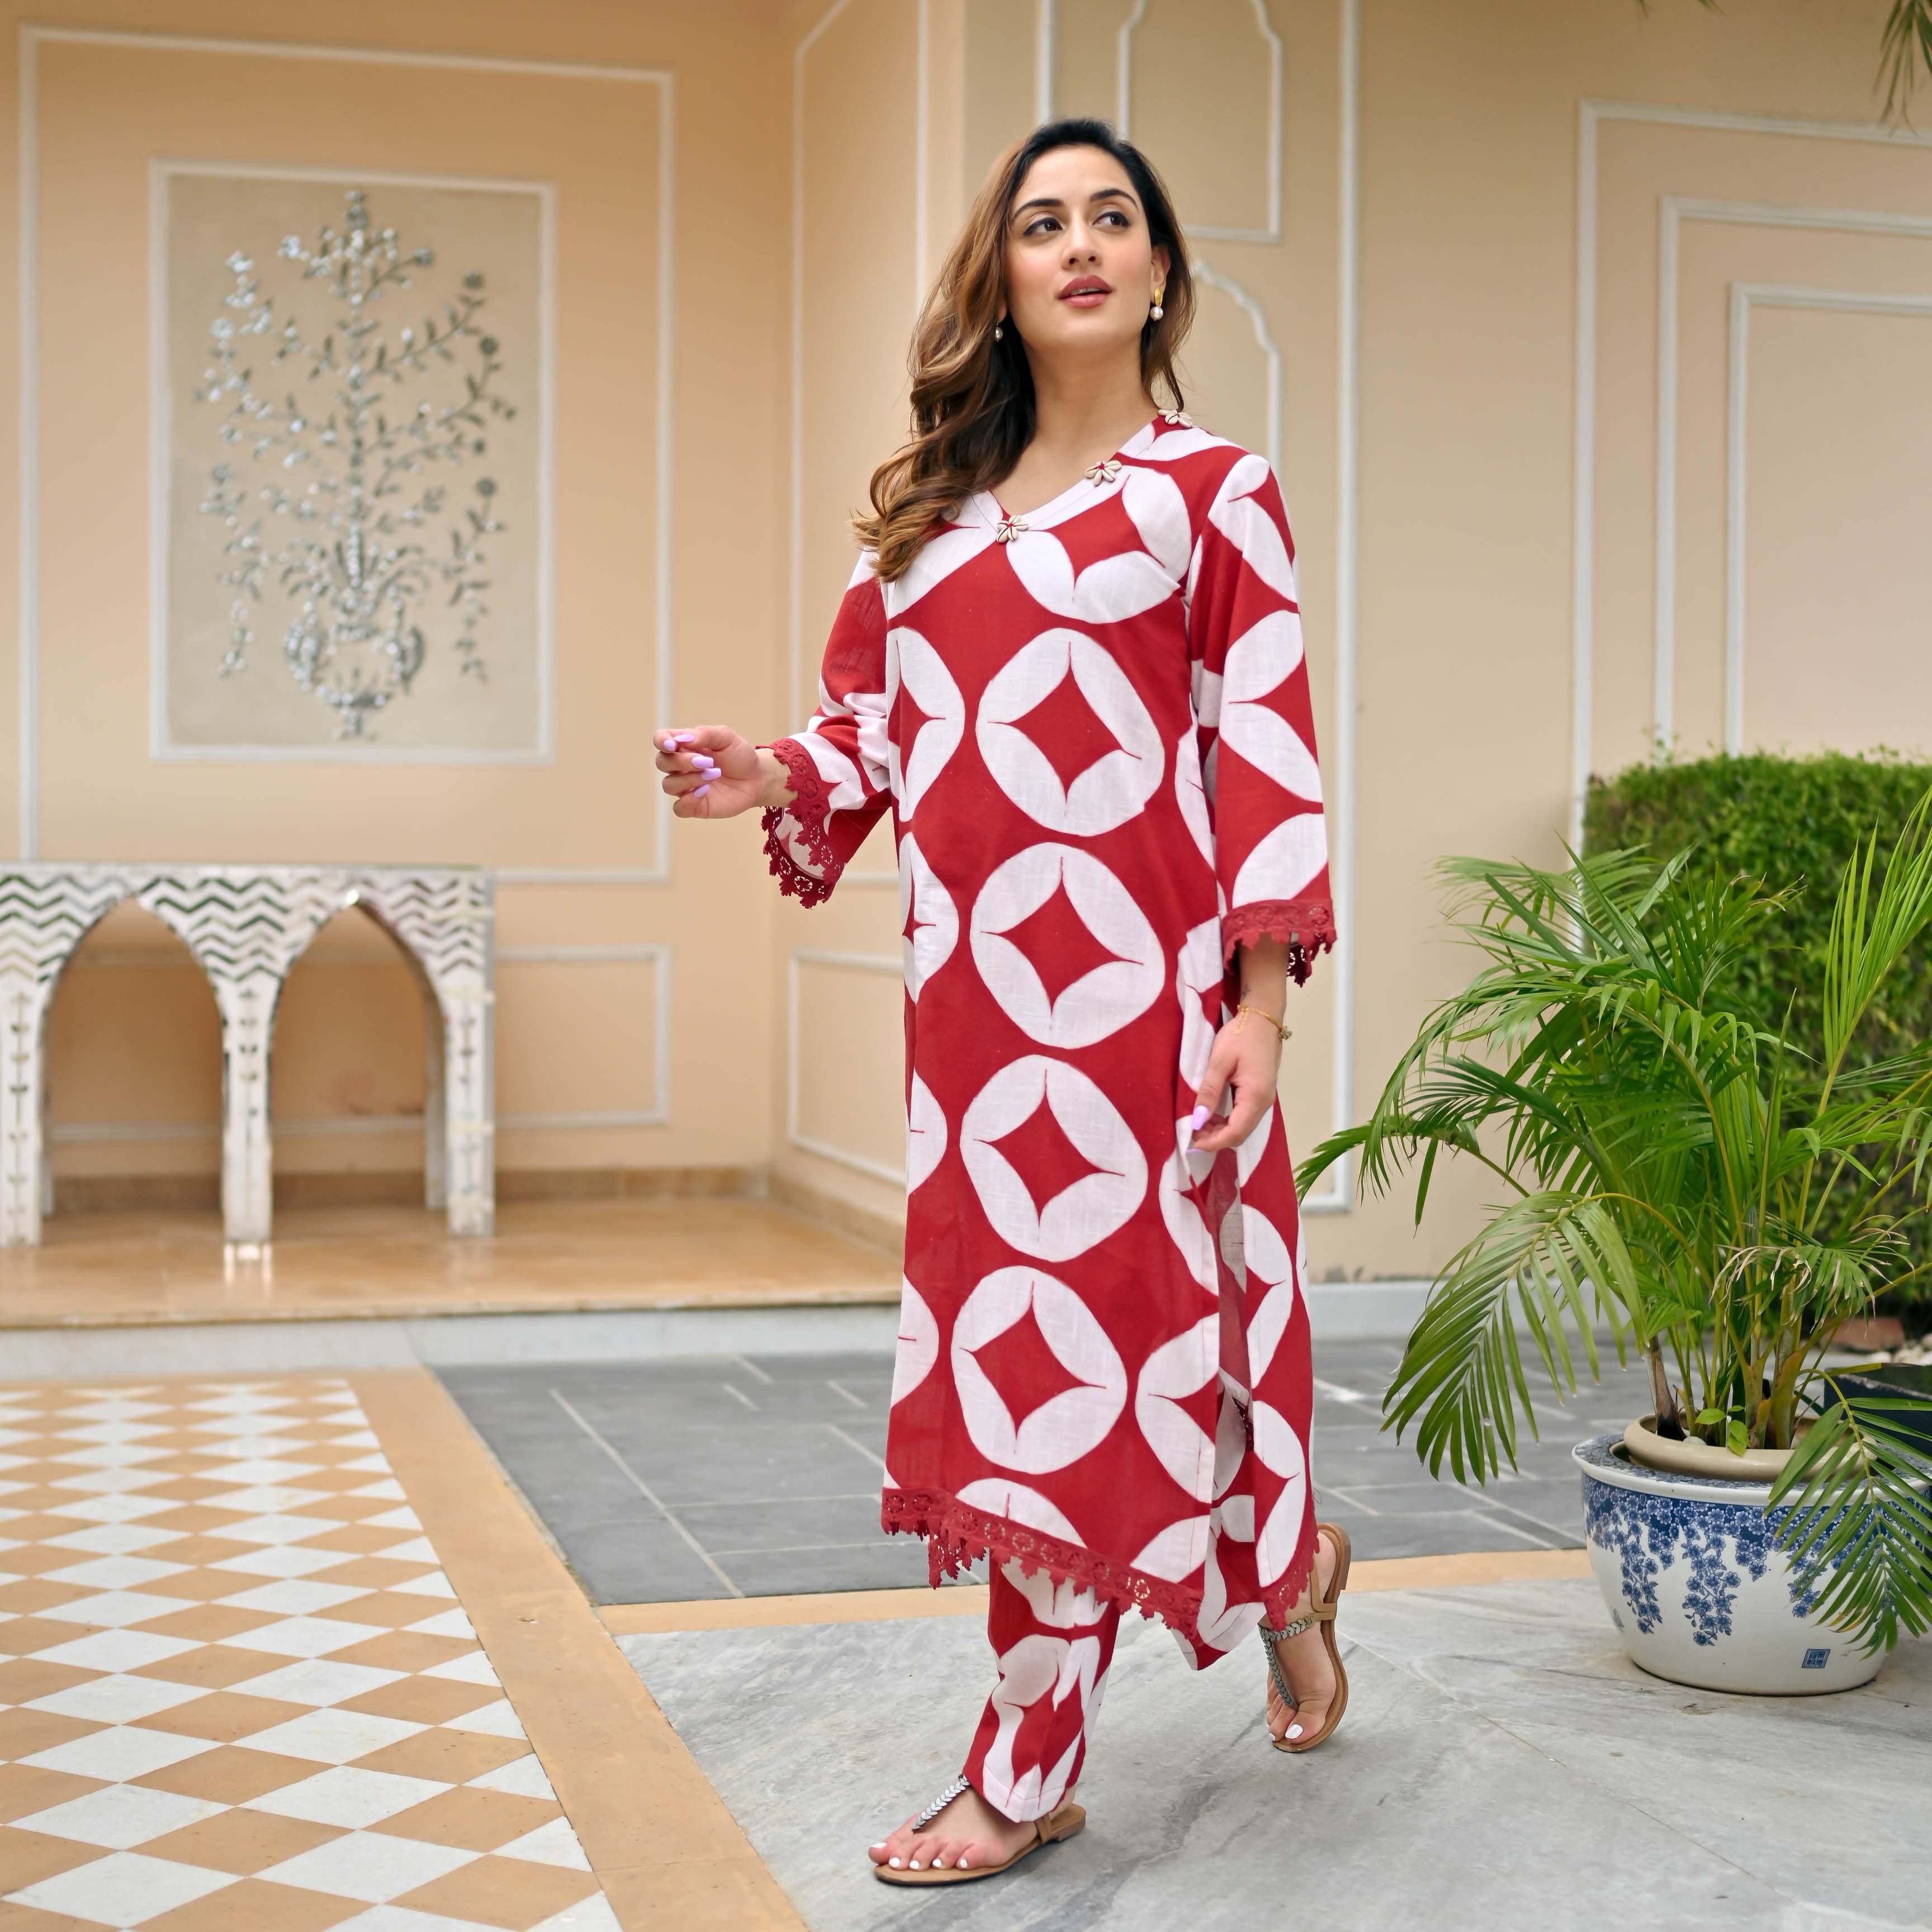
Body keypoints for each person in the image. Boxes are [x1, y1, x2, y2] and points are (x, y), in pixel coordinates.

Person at [655, 117, 1342, 1888]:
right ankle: (1293, 1574)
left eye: (1115, 218)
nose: (1082, 244)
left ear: (1162, 272)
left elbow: (1265, 755)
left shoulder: (1214, 494)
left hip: (1154, 1010)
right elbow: (874, 738)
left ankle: (1024, 1765)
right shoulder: (928, 529)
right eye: (1045, 223)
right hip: (979, 1036)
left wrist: (1260, 1006)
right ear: (1005, 277)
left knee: (1123, 1347)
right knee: (1093, 1345)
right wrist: (766, 773)